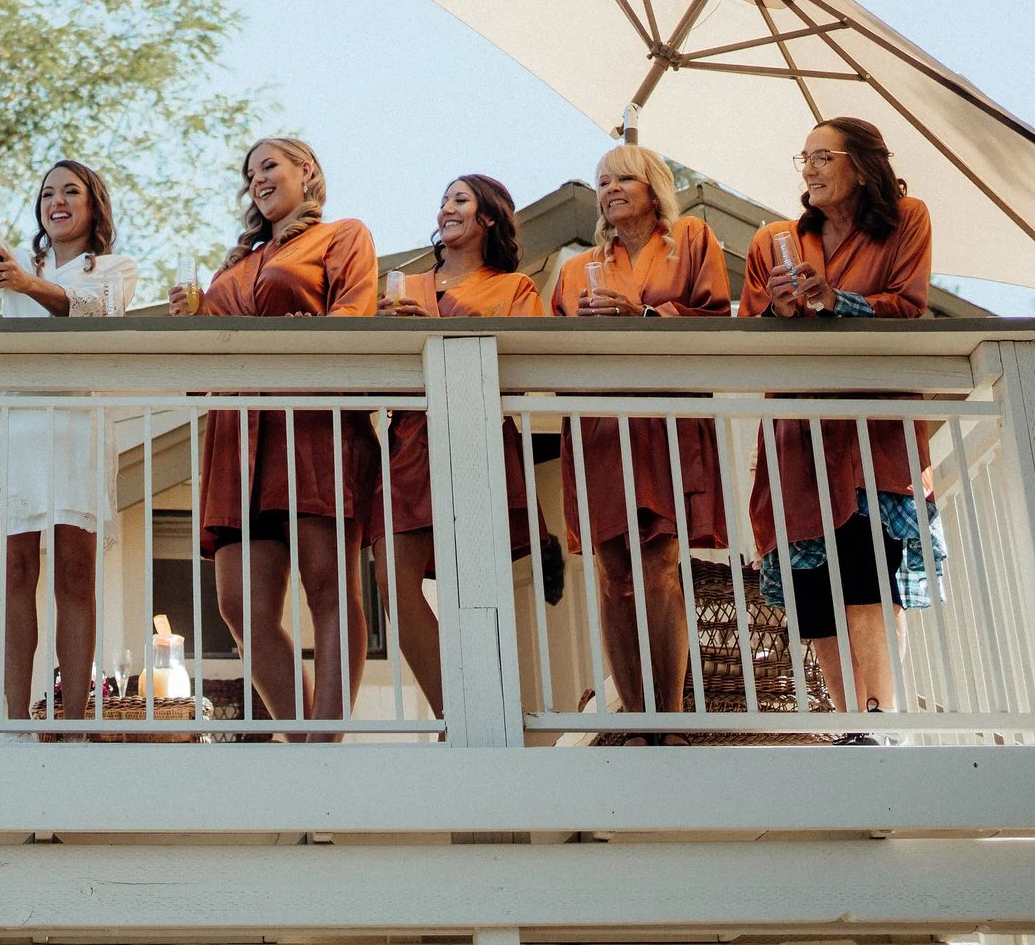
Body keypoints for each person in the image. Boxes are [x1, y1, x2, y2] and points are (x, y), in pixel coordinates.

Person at [168, 137, 378, 733]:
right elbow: (204, 367)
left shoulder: (342, 235)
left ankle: (328, 736)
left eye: (269, 166)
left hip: (311, 425)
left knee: (328, 587)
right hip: (238, 441)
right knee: (241, 608)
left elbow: (354, 318)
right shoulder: (231, 269)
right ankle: (301, 735)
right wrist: (194, 324)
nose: (257, 180)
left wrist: (306, 338)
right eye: (250, 173)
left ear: (305, 171)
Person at [741, 117, 935, 739]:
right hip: (800, 430)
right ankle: (853, 720)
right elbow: (749, 337)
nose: (811, 169)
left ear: (863, 162)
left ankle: (882, 717)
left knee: (866, 565)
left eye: (823, 155)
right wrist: (779, 307)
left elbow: (908, 307)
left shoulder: (907, 219)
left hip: (873, 424)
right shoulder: (776, 239)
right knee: (811, 585)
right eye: (805, 158)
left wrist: (837, 300)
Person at [0, 161, 138, 726]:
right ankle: (15, 716)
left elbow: (94, 312)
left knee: (76, 573)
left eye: (70, 191)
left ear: (93, 204)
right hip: (14, 428)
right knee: (16, 570)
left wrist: (28, 284)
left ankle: (74, 719)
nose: (57, 201)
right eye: (47, 193)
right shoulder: (17, 264)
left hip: (76, 425)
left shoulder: (113, 267)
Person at [550, 144, 732, 734]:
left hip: (666, 419)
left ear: (654, 187)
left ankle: (669, 717)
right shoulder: (575, 271)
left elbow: (715, 319)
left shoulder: (692, 239)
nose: (611, 189)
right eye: (603, 181)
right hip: (600, 425)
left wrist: (645, 317)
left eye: (624, 178)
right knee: (612, 571)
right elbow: (554, 350)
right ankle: (635, 716)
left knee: (658, 562)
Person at [374, 174, 545, 717]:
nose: (446, 207)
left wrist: (442, 334)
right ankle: (458, 712)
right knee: (393, 584)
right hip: (408, 439)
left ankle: (478, 720)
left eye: (460, 200)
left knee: (476, 588)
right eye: (444, 199)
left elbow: (525, 369)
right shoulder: (403, 286)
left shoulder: (513, 289)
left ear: (488, 217)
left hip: (478, 435)